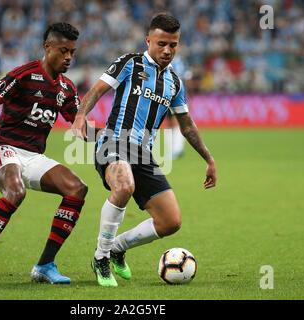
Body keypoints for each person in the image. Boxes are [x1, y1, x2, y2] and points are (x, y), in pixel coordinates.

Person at [72, 13, 217, 287]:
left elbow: (187, 126)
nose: (167, 50)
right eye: (162, 43)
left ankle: (116, 247)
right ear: (148, 40)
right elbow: (97, 91)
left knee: (170, 221)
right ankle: (101, 258)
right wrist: (81, 116)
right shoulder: (130, 63)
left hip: (143, 154)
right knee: (124, 186)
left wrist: (208, 158)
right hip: (113, 143)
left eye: (173, 45)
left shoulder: (174, 82)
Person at [0, 22, 89, 289]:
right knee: (15, 191)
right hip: (3, 149)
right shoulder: (24, 74)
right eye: (63, 51)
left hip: (33, 156)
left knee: (77, 188)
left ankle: (44, 266)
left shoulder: (66, 88)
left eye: (72, 52)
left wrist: (116, 137)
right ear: (47, 46)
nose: (68, 58)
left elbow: (80, 126)